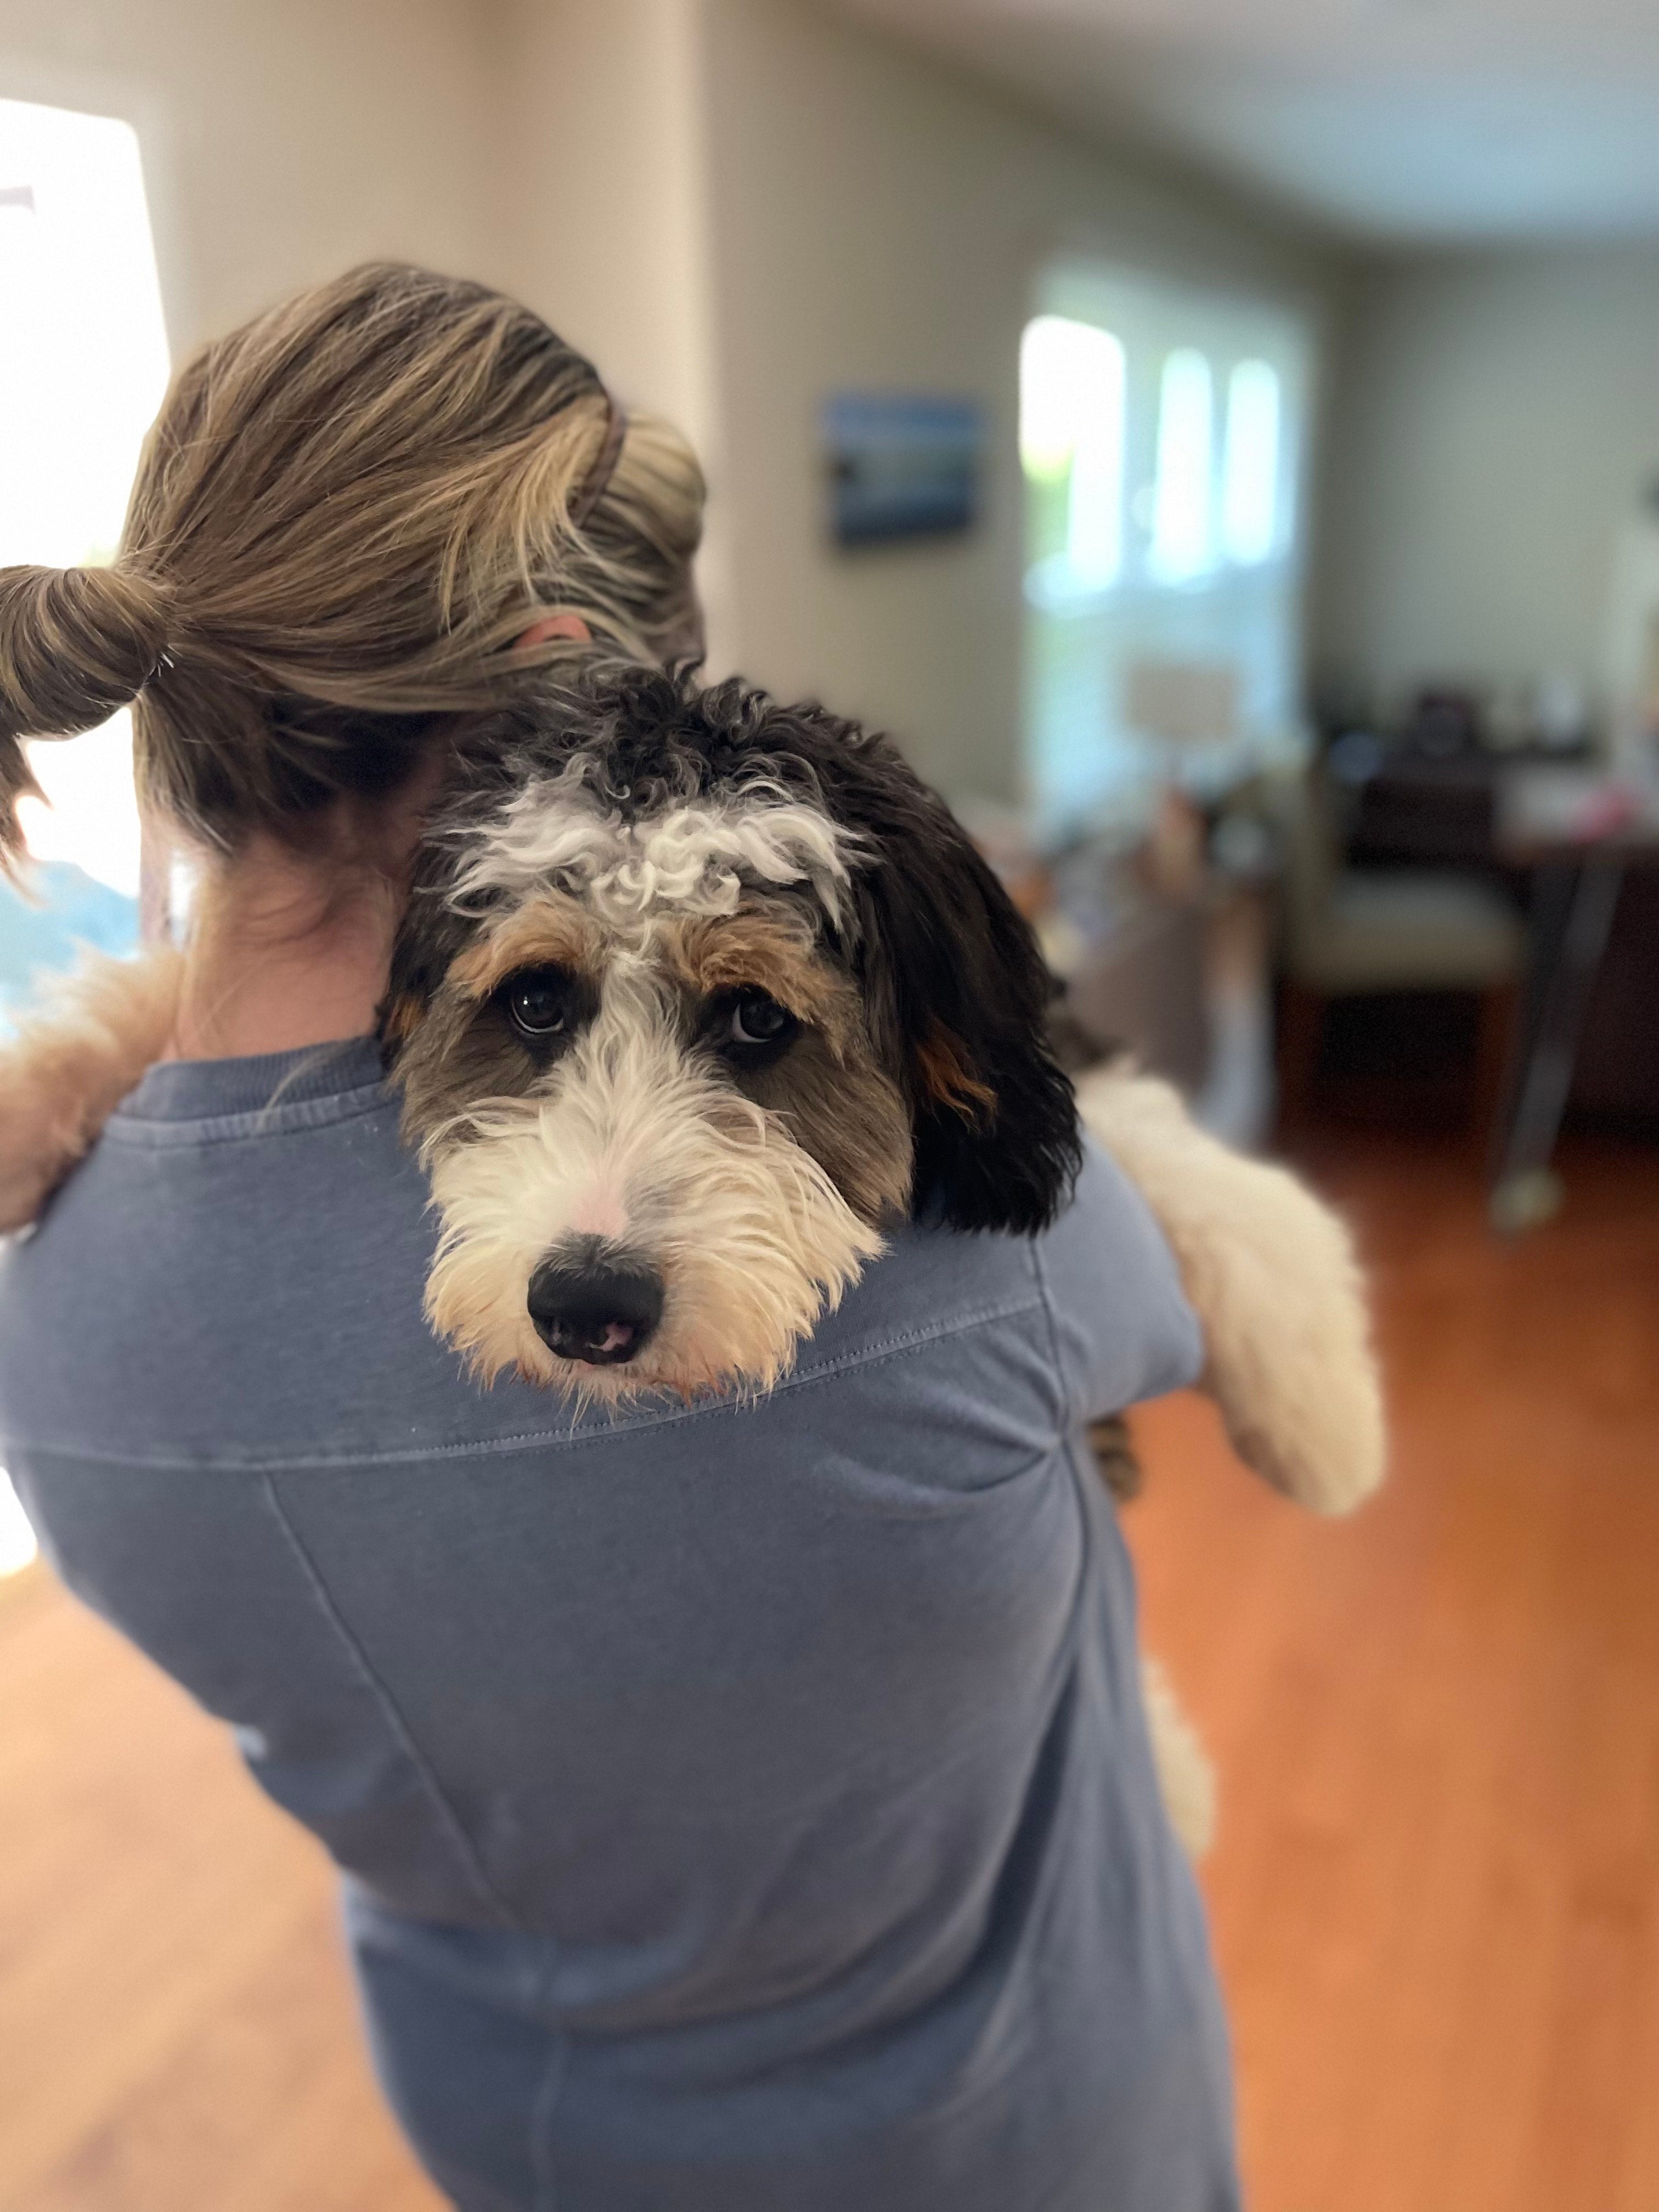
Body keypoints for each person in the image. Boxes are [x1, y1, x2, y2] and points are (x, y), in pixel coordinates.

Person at [0, 264, 1237, 2211]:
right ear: (586, 668)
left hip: (527, 2134)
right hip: (1015, 2135)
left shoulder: (49, 1350)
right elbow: (1165, 1308)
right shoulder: (929, 1256)